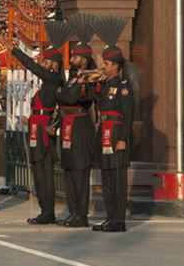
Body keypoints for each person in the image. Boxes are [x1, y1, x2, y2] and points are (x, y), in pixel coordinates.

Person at [10, 21, 69, 225]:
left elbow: (33, 67)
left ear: (54, 64)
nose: (43, 64)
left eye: (47, 61)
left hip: (43, 130)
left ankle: (48, 211)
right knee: (38, 170)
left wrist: (15, 51)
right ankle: (45, 209)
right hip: (36, 125)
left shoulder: (53, 79)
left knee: (44, 171)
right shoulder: (48, 83)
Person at [91, 16, 135, 233]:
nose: (104, 67)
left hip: (116, 133)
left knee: (117, 180)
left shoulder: (123, 86)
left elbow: (127, 115)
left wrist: (123, 140)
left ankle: (119, 220)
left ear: (116, 65)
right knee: (107, 177)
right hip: (105, 133)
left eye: (107, 64)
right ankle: (110, 218)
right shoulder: (106, 84)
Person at [54, 14, 97, 228]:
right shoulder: (73, 77)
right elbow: (60, 96)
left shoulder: (90, 77)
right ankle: (73, 212)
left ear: (85, 58)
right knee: (69, 170)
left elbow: (71, 97)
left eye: (76, 57)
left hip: (80, 127)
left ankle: (81, 214)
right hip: (68, 124)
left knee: (80, 171)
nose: (72, 59)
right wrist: (66, 92)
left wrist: (67, 92)